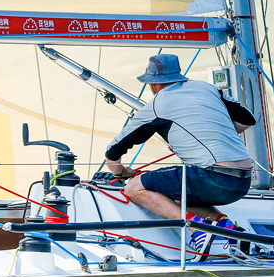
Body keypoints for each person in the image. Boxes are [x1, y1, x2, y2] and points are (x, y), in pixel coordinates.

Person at [105, 54, 256, 254]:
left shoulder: (158, 103)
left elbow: (114, 149)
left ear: (153, 85)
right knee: (177, 195)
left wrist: (120, 172)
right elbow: (248, 119)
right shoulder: (207, 88)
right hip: (243, 181)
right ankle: (233, 232)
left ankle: (196, 228)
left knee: (134, 187)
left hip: (212, 177)